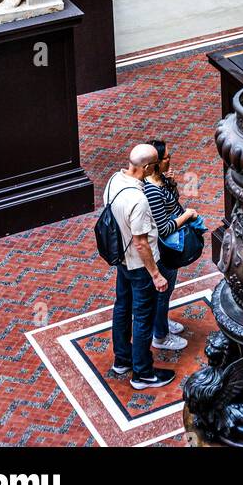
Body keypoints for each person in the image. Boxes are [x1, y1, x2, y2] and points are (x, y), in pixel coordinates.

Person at [104, 144, 175, 390]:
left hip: (120, 259)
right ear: (146, 167)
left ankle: (122, 359)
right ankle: (143, 373)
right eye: (154, 166)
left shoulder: (114, 180)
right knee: (143, 316)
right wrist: (156, 274)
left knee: (122, 307)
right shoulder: (139, 199)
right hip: (139, 265)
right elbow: (141, 243)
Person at [143, 139, 205, 351]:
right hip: (164, 249)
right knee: (162, 292)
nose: (171, 159)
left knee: (166, 292)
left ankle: (161, 322)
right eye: (167, 157)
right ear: (156, 162)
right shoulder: (151, 190)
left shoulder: (160, 180)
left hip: (170, 247)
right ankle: (160, 336)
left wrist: (171, 183)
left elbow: (172, 203)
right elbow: (164, 228)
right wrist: (187, 215)